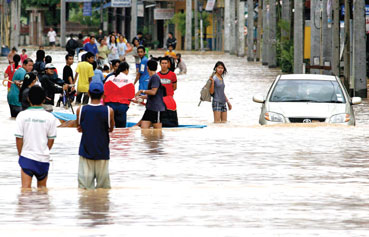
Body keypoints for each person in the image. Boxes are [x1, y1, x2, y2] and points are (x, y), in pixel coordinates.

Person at [15, 86, 60, 189]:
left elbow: (19, 139)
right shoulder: (50, 117)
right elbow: (51, 139)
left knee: (25, 190)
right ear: (44, 99)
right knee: (42, 191)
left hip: (27, 157)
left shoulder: (22, 115)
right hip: (43, 158)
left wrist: (20, 154)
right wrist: (44, 150)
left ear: (28, 98)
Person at [76, 81, 115, 189]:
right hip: (102, 151)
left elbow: (79, 128)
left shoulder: (81, 109)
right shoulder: (109, 110)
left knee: (85, 188)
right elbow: (111, 129)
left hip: (86, 150)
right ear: (103, 94)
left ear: (88, 93)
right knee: (103, 188)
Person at [135, 60, 166, 129]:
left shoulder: (155, 77)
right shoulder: (152, 77)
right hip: (149, 108)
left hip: (157, 108)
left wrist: (141, 91)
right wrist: (141, 97)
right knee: (144, 130)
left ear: (147, 68)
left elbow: (153, 92)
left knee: (158, 131)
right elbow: (152, 95)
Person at [104, 62, 135, 128]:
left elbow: (104, 93)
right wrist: (126, 107)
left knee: (108, 128)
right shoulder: (129, 80)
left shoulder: (110, 78)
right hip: (122, 107)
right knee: (121, 130)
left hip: (110, 106)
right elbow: (131, 97)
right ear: (126, 70)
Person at [157, 57, 178, 127]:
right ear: (160, 64)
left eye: (165, 63)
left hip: (169, 98)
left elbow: (174, 87)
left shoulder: (173, 75)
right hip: (159, 99)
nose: (164, 65)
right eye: (162, 63)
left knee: (170, 114)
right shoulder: (157, 75)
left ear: (168, 64)